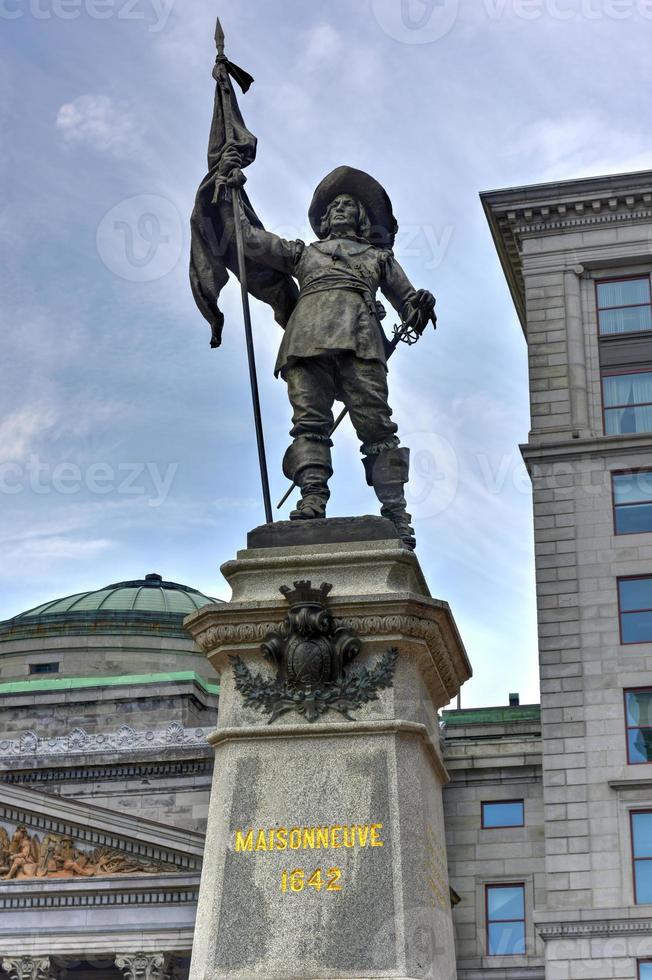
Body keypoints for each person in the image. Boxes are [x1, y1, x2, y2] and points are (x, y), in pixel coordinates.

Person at [219, 151, 436, 548]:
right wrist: (232, 194)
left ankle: (397, 514)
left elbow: (408, 303)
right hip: (305, 342)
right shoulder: (303, 252)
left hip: (361, 341)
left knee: (377, 428)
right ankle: (312, 500)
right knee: (309, 423)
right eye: (334, 205)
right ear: (324, 218)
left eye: (347, 205)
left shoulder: (378, 257)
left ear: (361, 218)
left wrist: (420, 305)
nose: (339, 209)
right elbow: (250, 242)